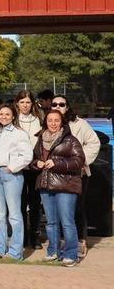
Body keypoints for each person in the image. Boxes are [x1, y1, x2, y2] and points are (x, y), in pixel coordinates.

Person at [32, 109, 85, 267]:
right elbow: (33, 159)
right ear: (45, 122)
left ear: (62, 122)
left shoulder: (70, 140)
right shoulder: (41, 139)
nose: (53, 123)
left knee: (67, 222)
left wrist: (58, 163)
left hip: (66, 186)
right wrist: (37, 163)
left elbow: (79, 161)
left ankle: (70, 254)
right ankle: (53, 251)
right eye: (50, 120)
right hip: (46, 184)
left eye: (56, 120)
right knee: (51, 222)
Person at [50, 95, 100, 259]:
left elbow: (94, 142)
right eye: (54, 104)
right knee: (59, 210)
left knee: (77, 207)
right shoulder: (49, 123)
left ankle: (80, 241)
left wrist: (80, 160)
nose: (58, 106)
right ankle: (63, 242)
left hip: (76, 173)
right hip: (56, 174)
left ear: (68, 107)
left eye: (61, 104)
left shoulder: (79, 124)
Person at [0, 103, 32, 260]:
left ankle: (15, 252)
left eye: (7, 114)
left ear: (13, 116)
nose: (3, 116)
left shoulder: (19, 133)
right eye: (1, 114)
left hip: (11, 175)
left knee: (14, 214)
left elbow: (26, 155)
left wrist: (12, 167)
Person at [14, 91, 43, 249]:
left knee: (35, 202)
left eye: (28, 102)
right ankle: (22, 235)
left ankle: (35, 235)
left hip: (34, 167)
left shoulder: (39, 120)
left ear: (32, 104)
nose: (25, 105)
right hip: (18, 167)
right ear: (17, 103)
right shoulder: (13, 119)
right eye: (22, 102)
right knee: (20, 203)